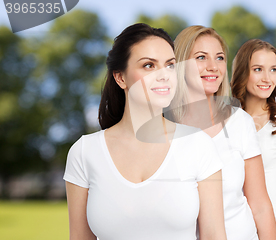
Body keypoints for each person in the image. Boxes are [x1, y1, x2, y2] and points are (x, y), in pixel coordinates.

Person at [63, 23, 226, 240]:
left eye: (170, 65)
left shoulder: (198, 145)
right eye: (149, 65)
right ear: (120, 77)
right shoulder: (84, 152)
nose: (164, 75)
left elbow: (214, 235)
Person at [174, 26, 276, 240]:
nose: (213, 67)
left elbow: (260, 205)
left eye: (219, 58)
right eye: (201, 57)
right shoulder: (162, 128)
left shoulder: (240, 121)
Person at [231, 39, 276, 240]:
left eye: (273, 70)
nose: (267, 78)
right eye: (258, 69)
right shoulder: (226, 121)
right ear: (242, 72)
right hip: (233, 233)